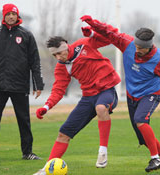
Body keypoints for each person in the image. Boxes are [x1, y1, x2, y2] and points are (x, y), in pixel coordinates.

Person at [81, 15, 160, 173]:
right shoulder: (128, 44)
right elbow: (109, 32)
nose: (137, 50)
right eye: (137, 46)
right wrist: (93, 24)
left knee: (140, 120)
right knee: (143, 136)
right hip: (132, 95)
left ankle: (155, 158)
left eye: (141, 48)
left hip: (151, 94)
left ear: (149, 46)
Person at [33, 28, 121, 174]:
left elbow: (109, 38)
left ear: (67, 46)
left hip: (107, 91)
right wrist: (46, 107)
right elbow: (58, 90)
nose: (58, 57)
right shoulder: (61, 67)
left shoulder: (85, 44)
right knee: (63, 134)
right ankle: (46, 169)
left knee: (100, 108)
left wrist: (92, 32)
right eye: (54, 55)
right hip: (87, 98)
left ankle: (103, 152)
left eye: (60, 53)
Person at [0, 4, 44, 162]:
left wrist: (38, 85)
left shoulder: (27, 35)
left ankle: (28, 153)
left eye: (14, 14)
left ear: (17, 15)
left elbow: (35, 61)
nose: (11, 16)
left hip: (20, 86)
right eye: (8, 14)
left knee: (24, 120)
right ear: (4, 15)